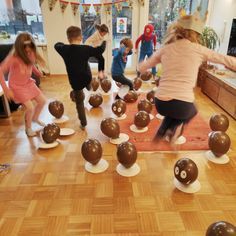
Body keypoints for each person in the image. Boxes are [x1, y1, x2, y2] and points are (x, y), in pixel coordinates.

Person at [138, 8, 236, 143]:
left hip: (160, 103)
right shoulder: (198, 49)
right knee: (192, 110)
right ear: (196, 35)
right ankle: (175, 129)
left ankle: (161, 132)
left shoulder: (166, 48)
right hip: (183, 105)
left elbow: (144, 66)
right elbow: (223, 59)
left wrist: (141, 68)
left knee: (171, 112)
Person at [54, 26, 106, 129]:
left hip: (75, 81)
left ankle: (83, 123)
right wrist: (104, 42)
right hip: (86, 78)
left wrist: (65, 44)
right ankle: (89, 87)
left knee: (79, 103)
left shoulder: (64, 49)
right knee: (85, 65)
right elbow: (100, 50)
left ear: (68, 38)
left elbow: (56, 45)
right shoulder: (85, 49)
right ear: (81, 37)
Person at [0, 32, 46, 137]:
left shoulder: (31, 53)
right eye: (25, 49)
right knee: (30, 108)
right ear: (19, 48)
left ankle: (35, 118)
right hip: (16, 87)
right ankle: (28, 128)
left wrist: (37, 72)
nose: (28, 51)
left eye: (30, 47)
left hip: (27, 83)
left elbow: (31, 63)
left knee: (42, 101)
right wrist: (6, 90)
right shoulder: (13, 58)